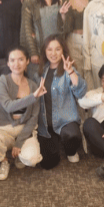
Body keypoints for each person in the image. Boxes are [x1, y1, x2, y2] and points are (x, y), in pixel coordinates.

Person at [0, 47, 45, 181]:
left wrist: (20, 142)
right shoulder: (1, 82)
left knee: (32, 159)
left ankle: (19, 154)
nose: (16, 64)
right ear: (8, 63)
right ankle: (4, 160)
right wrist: (33, 96)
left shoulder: (33, 85)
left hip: (24, 129)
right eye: (12, 60)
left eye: (21, 59)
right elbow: (8, 107)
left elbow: (34, 117)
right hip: (4, 129)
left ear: (27, 61)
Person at [34, 35, 87, 169]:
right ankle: (55, 141)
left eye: (57, 49)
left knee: (72, 136)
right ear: (45, 52)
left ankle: (70, 151)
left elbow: (80, 92)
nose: (53, 53)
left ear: (63, 50)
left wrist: (70, 72)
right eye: (49, 49)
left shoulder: (69, 69)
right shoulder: (40, 71)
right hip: (46, 125)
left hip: (65, 120)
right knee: (47, 164)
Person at [21, 0, 67, 65]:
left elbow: (66, 27)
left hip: (57, 50)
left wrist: (64, 16)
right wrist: (33, 52)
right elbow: (27, 27)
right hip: (38, 49)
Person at [61, 0, 97, 82]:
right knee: (76, 71)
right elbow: (62, 26)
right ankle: (79, 99)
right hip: (72, 40)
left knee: (92, 70)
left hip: (92, 39)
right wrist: (63, 15)